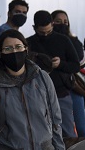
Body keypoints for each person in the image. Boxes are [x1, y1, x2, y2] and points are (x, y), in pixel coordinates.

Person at [26, 10, 80, 138]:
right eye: (41, 33)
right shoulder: (28, 43)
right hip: (36, 95)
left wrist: (60, 64)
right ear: (34, 28)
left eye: (48, 32)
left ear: (52, 25)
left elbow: (75, 65)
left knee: (67, 133)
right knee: (40, 133)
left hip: (60, 93)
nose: (45, 35)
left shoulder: (63, 40)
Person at [51, 9, 85, 137]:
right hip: (56, 89)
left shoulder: (74, 40)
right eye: (58, 21)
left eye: (65, 21)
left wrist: (62, 63)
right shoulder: (49, 41)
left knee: (81, 128)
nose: (62, 24)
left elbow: (80, 62)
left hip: (73, 87)